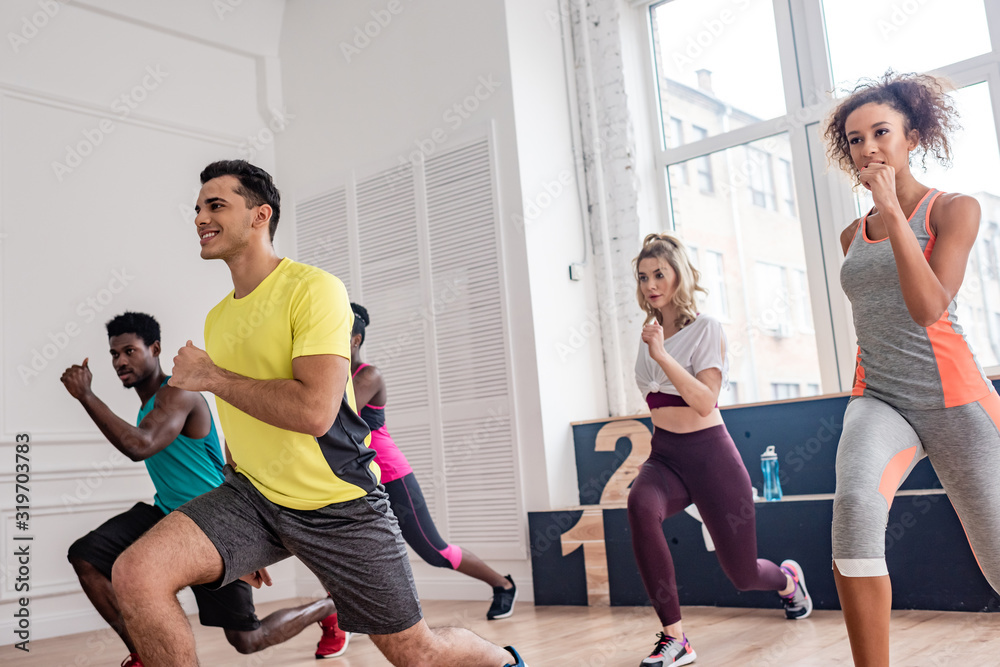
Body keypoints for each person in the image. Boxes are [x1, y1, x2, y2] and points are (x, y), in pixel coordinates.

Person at [109, 160, 529, 667]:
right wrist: (230, 539)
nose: (200, 217)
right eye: (197, 208)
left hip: (340, 505)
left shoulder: (315, 290)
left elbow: (314, 412)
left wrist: (211, 377)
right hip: (254, 498)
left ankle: (504, 661)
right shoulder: (219, 318)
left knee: (417, 654)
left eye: (216, 205)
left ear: (260, 215)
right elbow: (242, 424)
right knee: (136, 572)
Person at [825, 71, 1000, 667]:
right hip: (880, 399)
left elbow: (929, 308)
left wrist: (894, 213)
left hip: (956, 399)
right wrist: (879, 215)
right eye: (854, 139)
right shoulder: (852, 234)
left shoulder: (954, 210)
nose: (868, 147)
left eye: (881, 132)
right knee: (854, 511)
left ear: (913, 136)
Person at [61, 311, 341, 667]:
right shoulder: (149, 405)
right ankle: (144, 655)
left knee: (247, 640)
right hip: (167, 514)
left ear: (155, 348)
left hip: (214, 524)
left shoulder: (179, 393)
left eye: (129, 351)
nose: (120, 361)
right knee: (86, 555)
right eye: (114, 354)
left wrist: (86, 395)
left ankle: (330, 606)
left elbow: (139, 445)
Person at [628, 233, 811, 667]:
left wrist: (660, 352)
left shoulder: (705, 328)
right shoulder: (649, 333)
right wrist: (654, 345)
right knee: (638, 504)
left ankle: (787, 581)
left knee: (744, 576)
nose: (650, 284)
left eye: (659, 274)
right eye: (642, 277)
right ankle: (675, 638)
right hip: (666, 457)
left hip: (711, 458)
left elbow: (706, 401)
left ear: (679, 275)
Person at [348, 302, 517, 620]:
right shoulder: (332, 378)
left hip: (389, 474)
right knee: (357, 553)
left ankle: (503, 585)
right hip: (355, 478)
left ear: (355, 339)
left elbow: (334, 418)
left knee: (434, 551)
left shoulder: (368, 375)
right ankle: (357, 616)